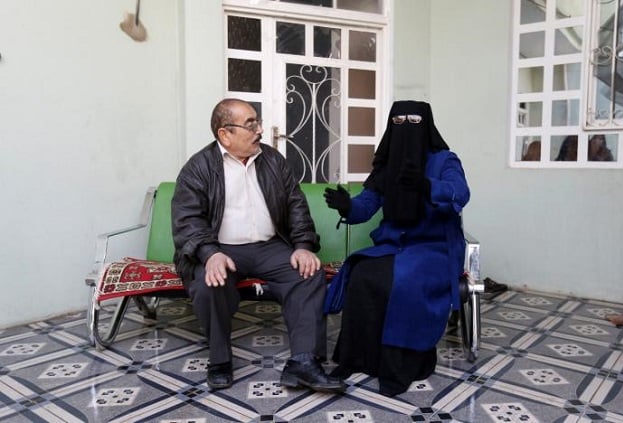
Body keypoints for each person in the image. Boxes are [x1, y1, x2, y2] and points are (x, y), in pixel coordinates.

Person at [171, 98, 345, 393]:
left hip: (269, 247)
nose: (260, 130)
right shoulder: (198, 167)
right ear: (225, 133)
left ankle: (303, 362)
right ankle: (220, 360)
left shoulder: (274, 160)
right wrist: (209, 254)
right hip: (221, 248)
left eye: (258, 122)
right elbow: (188, 219)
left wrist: (302, 245)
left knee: (308, 275)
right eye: (251, 124)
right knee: (208, 282)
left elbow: (295, 206)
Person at [323, 100, 470, 397]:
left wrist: (426, 185)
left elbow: (460, 193)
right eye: (398, 121)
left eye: (414, 122)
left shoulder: (444, 160)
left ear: (427, 125)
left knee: (406, 283)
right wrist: (347, 206)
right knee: (363, 275)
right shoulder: (387, 164)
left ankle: (400, 366)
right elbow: (367, 205)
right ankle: (357, 358)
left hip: (434, 247)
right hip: (395, 243)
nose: (406, 128)